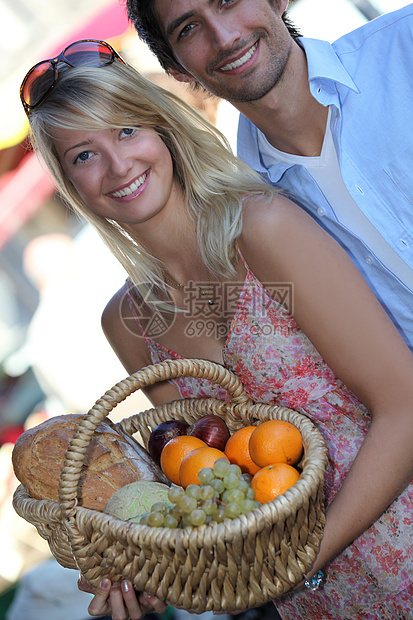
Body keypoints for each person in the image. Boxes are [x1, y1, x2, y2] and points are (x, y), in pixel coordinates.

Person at [19, 39, 413, 620]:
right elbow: (207, 490)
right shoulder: (127, 324)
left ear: (164, 131)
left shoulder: (263, 229)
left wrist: (303, 560)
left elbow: (404, 405)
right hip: (322, 605)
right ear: (71, 185)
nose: (117, 164)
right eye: (83, 155)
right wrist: (156, 574)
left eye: (127, 131)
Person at [125, 0, 413, 354]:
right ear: (176, 69)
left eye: (227, 2)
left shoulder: (405, 45)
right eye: (189, 29)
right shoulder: (250, 216)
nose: (225, 37)